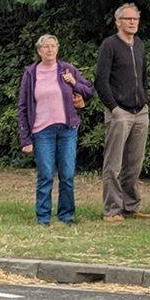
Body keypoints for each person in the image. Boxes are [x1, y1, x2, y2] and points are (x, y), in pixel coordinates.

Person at [18, 34, 94, 226]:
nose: (49, 49)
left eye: (53, 46)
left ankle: (66, 215)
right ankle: (43, 217)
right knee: (45, 175)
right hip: (42, 131)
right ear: (39, 51)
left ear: (58, 49)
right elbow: (23, 107)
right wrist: (25, 139)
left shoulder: (67, 69)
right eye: (45, 47)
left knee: (67, 175)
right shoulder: (31, 73)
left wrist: (73, 83)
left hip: (67, 129)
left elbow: (88, 91)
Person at [95, 3, 150, 222]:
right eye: (128, 19)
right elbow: (101, 80)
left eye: (135, 19)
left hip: (140, 112)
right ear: (118, 22)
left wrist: (145, 101)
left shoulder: (139, 44)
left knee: (134, 163)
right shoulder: (109, 45)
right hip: (119, 112)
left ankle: (131, 206)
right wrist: (114, 108)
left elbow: (144, 75)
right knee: (114, 164)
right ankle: (112, 209)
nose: (132, 22)